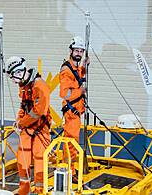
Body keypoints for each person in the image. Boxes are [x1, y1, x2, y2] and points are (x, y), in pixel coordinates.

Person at [6, 56, 51, 195]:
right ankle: (24, 191)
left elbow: (39, 111)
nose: (13, 81)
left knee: (39, 158)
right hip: (27, 127)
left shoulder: (39, 86)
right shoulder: (24, 85)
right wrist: (19, 119)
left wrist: (22, 122)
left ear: (20, 72)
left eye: (14, 77)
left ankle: (40, 191)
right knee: (22, 159)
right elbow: (24, 106)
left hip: (40, 128)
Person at [59, 36, 89, 178]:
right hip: (72, 111)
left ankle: (69, 169)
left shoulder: (75, 67)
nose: (78, 53)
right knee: (71, 143)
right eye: (76, 50)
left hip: (76, 110)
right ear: (71, 51)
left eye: (81, 51)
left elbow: (77, 77)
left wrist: (84, 67)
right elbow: (65, 93)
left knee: (71, 142)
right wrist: (80, 92)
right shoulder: (66, 70)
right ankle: (69, 172)